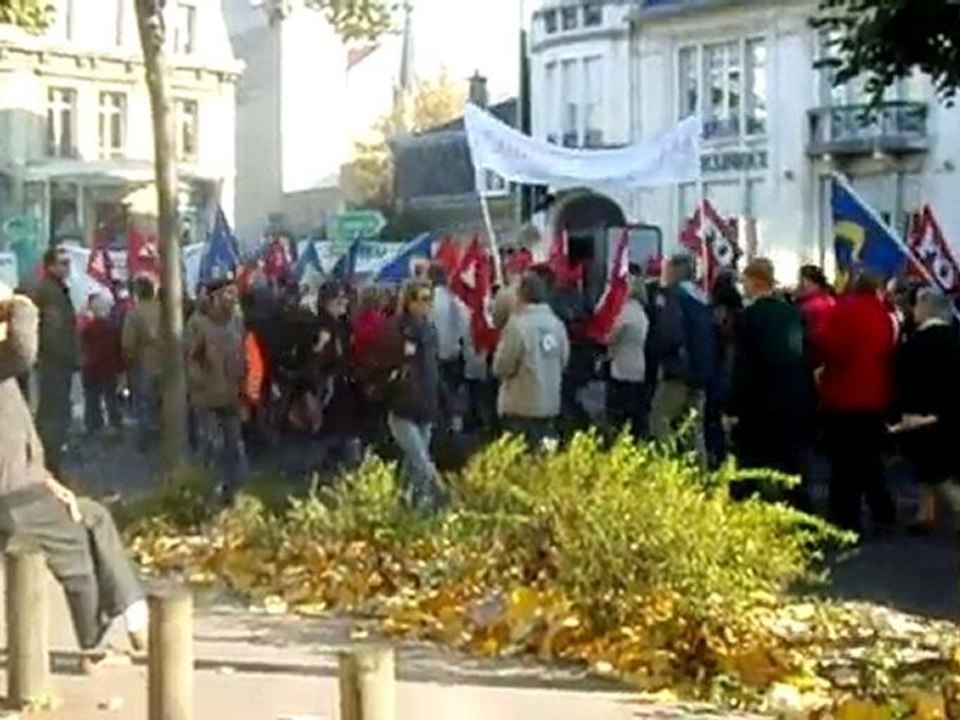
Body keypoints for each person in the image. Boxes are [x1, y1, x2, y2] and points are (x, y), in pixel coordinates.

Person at [0, 281, 146, 660]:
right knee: (77, 562)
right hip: (14, 493)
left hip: (24, 484)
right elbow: (22, 349)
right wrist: (15, 303)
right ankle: (99, 637)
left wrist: (49, 481)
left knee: (93, 516)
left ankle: (128, 611)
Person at [727, 258, 815, 504]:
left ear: (755, 282)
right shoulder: (793, 314)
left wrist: (734, 407)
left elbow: (744, 368)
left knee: (749, 465)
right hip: (794, 401)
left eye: (744, 280)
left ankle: (745, 514)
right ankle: (802, 520)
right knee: (792, 468)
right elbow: (805, 356)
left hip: (759, 405)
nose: (742, 286)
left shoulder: (748, 318)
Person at [818, 270, 897, 534]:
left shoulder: (842, 312)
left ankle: (845, 520)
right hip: (874, 397)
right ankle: (884, 511)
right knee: (871, 460)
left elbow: (826, 344)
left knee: (843, 465)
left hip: (842, 397)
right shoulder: (885, 316)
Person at [368, 280, 443, 509]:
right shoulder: (395, 328)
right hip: (403, 406)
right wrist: (394, 380)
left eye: (429, 299)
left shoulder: (430, 330)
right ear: (409, 301)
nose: (426, 304)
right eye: (421, 299)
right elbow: (382, 361)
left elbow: (433, 366)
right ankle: (433, 502)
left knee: (413, 464)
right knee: (421, 460)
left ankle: (404, 504)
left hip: (426, 404)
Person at [892, 288, 960, 532]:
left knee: (936, 469)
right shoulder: (956, 335)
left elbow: (906, 382)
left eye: (917, 306)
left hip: (925, 415)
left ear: (926, 309)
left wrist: (904, 414)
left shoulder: (917, 344)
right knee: (932, 468)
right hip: (952, 411)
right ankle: (925, 513)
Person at [649, 253, 716, 462]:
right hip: (702, 373)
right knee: (694, 428)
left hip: (677, 372)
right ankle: (700, 474)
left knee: (659, 420)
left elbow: (671, 335)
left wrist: (656, 351)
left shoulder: (675, 297)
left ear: (674, 272)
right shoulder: (703, 299)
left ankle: (667, 467)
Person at [186, 278, 247, 503]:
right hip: (207, 397)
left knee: (235, 446)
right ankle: (206, 492)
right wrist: (201, 382)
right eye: (228, 294)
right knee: (211, 446)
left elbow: (242, 352)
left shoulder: (237, 321)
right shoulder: (198, 324)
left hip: (232, 394)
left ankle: (236, 493)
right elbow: (190, 359)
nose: (234, 298)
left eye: (235, 294)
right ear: (215, 297)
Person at [492, 272, 570, 449]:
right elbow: (564, 360)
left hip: (520, 406)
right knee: (545, 457)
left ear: (521, 295)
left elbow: (501, 366)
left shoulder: (517, 325)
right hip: (550, 405)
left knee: (521, 460)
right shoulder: (557, 325)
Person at [33, 247, 78, 476]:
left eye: (68, 263)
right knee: (53, 413)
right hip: (54, 362)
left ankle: (51, 457)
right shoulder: (49, 292)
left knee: (56, 411)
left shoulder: (56, 291)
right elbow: (54, 332)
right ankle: (50, 461)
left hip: (58, 361)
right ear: (50, 266)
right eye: (62, 263)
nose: (67, 267)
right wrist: (67, 357)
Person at [604, 276, 649, 438]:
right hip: (638, 366)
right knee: (634, 410)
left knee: (618, 412)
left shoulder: (626, 312)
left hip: (622, 367)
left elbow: (612, 337)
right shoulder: (642, 313)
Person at [123, 276, 163, 449]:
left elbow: (127, 343)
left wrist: (128, 363)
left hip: (145, 363)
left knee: (144, 403)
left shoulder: (135, 313)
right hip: (168, 363)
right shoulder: (164, 310)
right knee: (163, 402)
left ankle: (145, 441)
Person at [429, 264, 469, 433]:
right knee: (455, 395)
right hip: (455, 355)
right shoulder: (457, 301)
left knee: (437, 397)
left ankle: (440, 433)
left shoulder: (429, 302)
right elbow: (465, 329)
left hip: (435, 357)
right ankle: (456, 430)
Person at [80, 294, 123, 436]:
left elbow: (82, 348)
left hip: (91, 368)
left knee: (92, 400)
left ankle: (93, 426)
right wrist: (121, 368)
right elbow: (118, 350)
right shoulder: (113, 330)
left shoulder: (87, 330)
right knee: (111, 399)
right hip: (108, 368)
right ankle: (114, 425)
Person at [796, 264, 836, 364]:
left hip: (812, 356)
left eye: (802, 281)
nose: (799, 285)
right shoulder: (830, 300)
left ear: (814, 283)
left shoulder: (809, 307)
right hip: (827, 356)